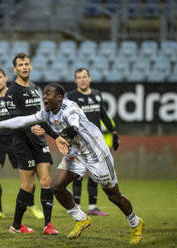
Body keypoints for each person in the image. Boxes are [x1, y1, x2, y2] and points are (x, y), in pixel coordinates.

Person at [0, 83, 144, 244]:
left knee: (113, 195)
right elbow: (23, 120)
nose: (44, 97)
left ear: (59, 97)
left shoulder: (69, 107)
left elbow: (74, 120)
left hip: (96, 153)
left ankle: (135, 223)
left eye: (48, 94)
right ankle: (81, 219)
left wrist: (71, 128)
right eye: (44, 93)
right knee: (56, 186)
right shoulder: (47, 112)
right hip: (76, 152)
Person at [0, 53, 58, 234]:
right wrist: (33, 128)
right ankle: (16, 225)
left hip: (39, 141)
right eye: (20, 65)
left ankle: (48, 225)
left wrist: (54, 135)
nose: (24, 67)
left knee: (46, 181)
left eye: (27, 64)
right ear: (15, 69)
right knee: (28, 185)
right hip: (22, 142)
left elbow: (43, 116)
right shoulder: (12, 92)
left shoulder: (36, 89)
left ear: (31, 66)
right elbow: (16, 120)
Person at [0, 68, 44, 220]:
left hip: (17, 138)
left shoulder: (14, 94)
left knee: (27, 175)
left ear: (5, 78)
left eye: (0, 77)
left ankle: (32, 205)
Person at [67, 68, 119, 216]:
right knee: (78, 174)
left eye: (85, 77)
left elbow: (103, 114)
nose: (82, 80)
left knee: (94, 174)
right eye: (79, 77)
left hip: (95, 142)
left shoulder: (96, 94)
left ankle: (92, 207)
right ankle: (76, 205)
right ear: (75, 80)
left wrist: (114, 132)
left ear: (89, 78)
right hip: (78, 141)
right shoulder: (71, 97)